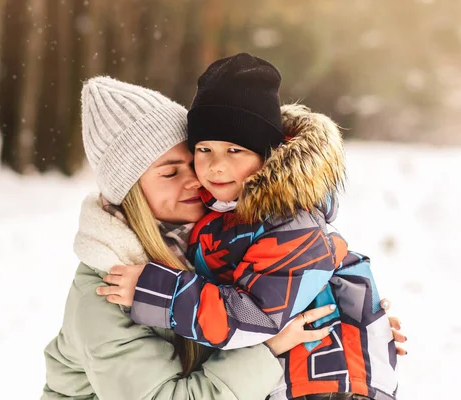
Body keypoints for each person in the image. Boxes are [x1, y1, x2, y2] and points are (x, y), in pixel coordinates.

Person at [101, 54, 400, 400]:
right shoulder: (225, 214)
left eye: (234, 150)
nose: (215, 166)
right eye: (204, 149)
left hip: (326, 387)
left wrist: (159, 292)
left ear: (267, 155)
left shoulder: (291, 224)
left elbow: (254, 317)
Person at [42, 76, 340, 400]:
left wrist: (347, 334)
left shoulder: (220, 240)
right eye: (170, 173)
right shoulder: (104, 291)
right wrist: (270, 351)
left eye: (195, 159)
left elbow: (272, 304)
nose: (197, 180)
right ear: (128, 194)